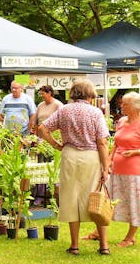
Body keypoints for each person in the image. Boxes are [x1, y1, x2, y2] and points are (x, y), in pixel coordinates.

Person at [38, 78, 111, 255]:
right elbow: (102, 142)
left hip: (70, 155)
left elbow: (42, 129)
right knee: (96, 197)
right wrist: (106, 166)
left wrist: (56, 145)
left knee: (71, 198)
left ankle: (75, 245)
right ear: (89, 94)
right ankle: (104, 246)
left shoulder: (64, 110)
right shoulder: (95, 113)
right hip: (91, 157)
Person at [82, 92, 140, 248]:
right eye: (122, 103)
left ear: (135, 107)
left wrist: (134, 152)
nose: (121, 106)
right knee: (109, 201)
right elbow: (115, 144)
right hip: (117, 169)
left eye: (125, 104)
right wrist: (107, 162)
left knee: (134, 203)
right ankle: (97, 232)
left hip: (135, 171)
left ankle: (130, 237)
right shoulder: (121, 121)